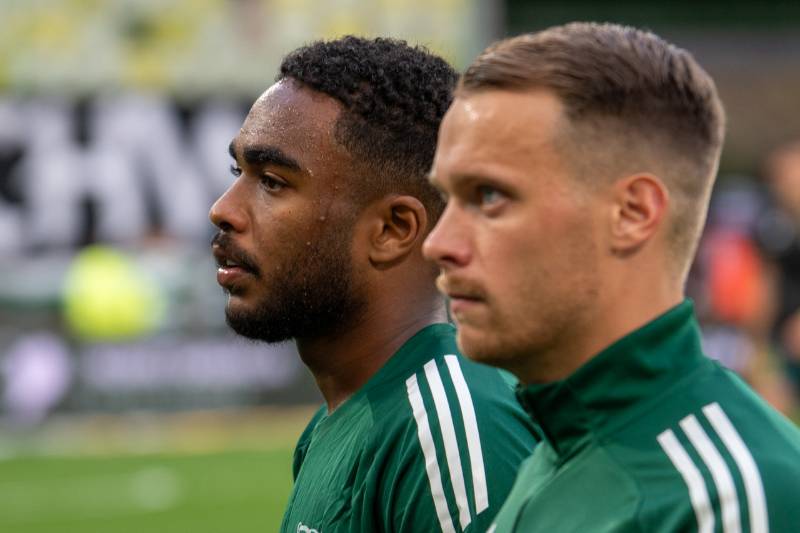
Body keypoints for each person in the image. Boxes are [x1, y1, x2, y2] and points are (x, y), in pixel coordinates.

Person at [423, 22, 800, 532]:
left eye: (489, 196)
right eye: (447, 198)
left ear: (631, 213)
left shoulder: (729, 500)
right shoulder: (553, 451)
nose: (438, 244)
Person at [209, 36, 537, 533]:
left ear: (392, 230)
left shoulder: (447, 430)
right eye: (239, 171)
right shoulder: (336, 423)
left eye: (272, 181)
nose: (223, 209)